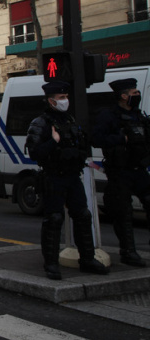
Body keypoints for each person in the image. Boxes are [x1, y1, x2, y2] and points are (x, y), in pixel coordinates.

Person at [25, 80, 110, 280]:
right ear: (51, 101)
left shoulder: (70, 121)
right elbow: (35, 153)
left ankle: (87, 258)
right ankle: (51, 264)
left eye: (66, 97)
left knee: (82, 215)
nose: (65, 101)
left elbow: (82, 144)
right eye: (61, 98)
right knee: (53, 219)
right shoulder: (41, 123)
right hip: (54, 177)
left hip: (72, 176)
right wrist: (53, 142)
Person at [92, 78, 150, 267]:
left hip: (139, 169)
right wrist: (122, 138)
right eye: (134, 93)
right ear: (124, 96)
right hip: (120, 171)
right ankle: (128, 251)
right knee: (123, 213)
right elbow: (96, 138)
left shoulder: (138, 115)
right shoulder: (109, 116)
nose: (137, 96)